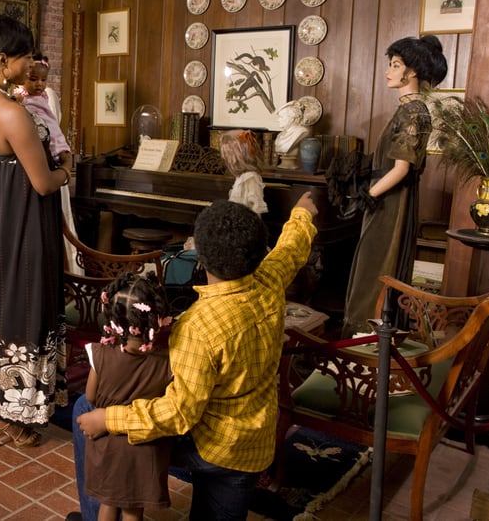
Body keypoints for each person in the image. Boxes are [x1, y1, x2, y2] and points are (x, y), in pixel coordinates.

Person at [74, 194, 318, 520]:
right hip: (252, 449)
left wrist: (108, 419)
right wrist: (301, 213)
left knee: (85, 409)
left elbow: (178, 414)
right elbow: (292, 248)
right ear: (261, 252)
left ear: (198, 256)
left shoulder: (197, 327)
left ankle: (96, 514)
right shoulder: (269, 280)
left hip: (207, 446)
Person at [0, 14, 71, 448]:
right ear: (4, 60)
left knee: (7, 303)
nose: (31, 63)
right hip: (26, 215)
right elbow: (43, 182)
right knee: (28, 303)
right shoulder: (13, 113)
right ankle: (13, 416)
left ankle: (1, 407)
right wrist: (68, 169)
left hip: (6, 209)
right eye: (25, 55)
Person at [342, 35, 446, 335]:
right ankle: (367, 339)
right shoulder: (408, 109)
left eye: (396, 65)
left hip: (392, 201)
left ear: (413, 72)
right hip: (387, 198)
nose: (389, 70)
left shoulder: (414, 112)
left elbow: (401, 168)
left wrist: (366, 196)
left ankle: (367, 340)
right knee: (372, 264)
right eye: (390, 64)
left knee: (376, 266)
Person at [84, 273, 174, 521]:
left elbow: (90, 396)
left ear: (111, 319)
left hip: (108, 444)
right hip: (144, 447)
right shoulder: (167, 361)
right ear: (157, 318)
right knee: (134, 508)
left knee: (108, 502)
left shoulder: (99, 353)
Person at [12, 51, 79, 270]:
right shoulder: (19, 96)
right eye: (34, 79)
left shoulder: (46, 97)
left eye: (43, 80)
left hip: (52, 145)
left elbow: (52, 126)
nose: (39, 84)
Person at [220, 129, 267, 215]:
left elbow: (256, 211)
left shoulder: (250, 177)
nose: (225, 157)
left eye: (227, 154)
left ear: (238, 156)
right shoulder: (241, 177)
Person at [274, 100, 312, 169]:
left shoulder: (301, 131)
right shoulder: (280, 135)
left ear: (291, 118)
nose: (278, 120)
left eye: (281, 117)